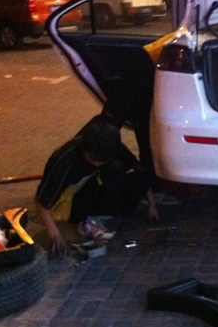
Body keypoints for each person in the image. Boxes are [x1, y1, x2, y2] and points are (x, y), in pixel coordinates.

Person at [35, 115, 159, 256]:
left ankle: (109, 214)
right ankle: (91, 220)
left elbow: (138, 169)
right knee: (80, 212)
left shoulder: (113, 147)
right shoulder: (64, 160)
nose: (97, 163)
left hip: (92, 185)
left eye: (102, 160)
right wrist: (54, 235)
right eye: (93, 158)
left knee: (122, 170)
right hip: (72, 199)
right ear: (85, 150)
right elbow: (42, 202)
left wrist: (152, 205)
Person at [101, 32, 175, 196]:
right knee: (112, 126)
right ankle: (86, 155)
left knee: (140, 128)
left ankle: (150, 185)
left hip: (148, 63)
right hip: (145, 65)